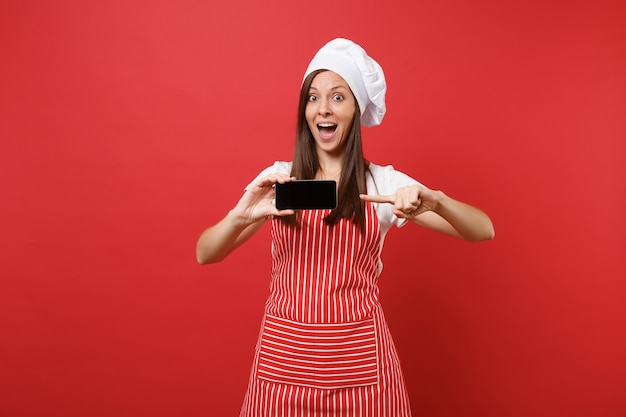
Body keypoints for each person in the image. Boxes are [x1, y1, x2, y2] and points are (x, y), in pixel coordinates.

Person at [196, 38, 494, 417]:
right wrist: (242, 213)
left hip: (361, 376)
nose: (323, 109)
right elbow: (205, 253)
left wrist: (435, 200)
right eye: (313, 97)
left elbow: (482, 229)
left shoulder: (382, 185)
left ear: (356, 108)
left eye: (338, 97)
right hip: (282, 369)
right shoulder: (279, 181)